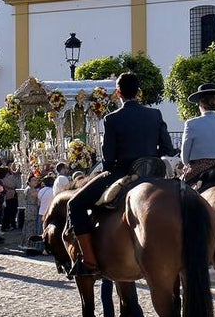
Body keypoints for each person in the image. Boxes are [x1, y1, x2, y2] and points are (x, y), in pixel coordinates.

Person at [71, 72, 174, 276]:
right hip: (153, 173)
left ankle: (89, 261)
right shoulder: (155, 115)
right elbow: (168, 148)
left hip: (121, 172)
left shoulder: (112, 119)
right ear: (138, 92)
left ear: (118, 93)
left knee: (74, 205)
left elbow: (108, 158)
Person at [180, 83, 215, 184]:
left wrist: (187, 164)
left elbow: (185, 154)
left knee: (180, 194)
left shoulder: (191, 123)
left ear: (200, 104)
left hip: (197, 170)